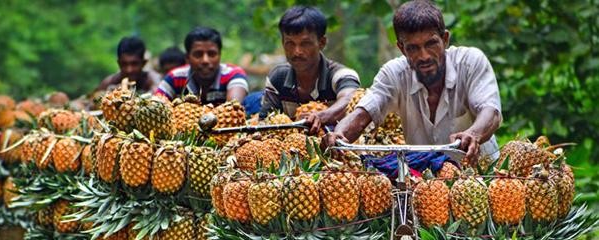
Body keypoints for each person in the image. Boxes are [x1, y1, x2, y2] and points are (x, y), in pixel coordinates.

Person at [323, 0, 502, 165]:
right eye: (413, 48)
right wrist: (339, 134)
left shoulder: (470, 63)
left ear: (445, 39)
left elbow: (490, 111)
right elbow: (362, 115)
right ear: (401, 48)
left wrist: (474, 134)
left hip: (480, 175)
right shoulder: (394, 73)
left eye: (431, 44)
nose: (424, 56)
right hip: (425, 184)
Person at [259, 6, 361, 135]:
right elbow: (264, 123)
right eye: (290, 43)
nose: (297, 51)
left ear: (322, 43)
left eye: (305, 43)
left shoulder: (341, 75)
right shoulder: (278, 78)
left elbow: (351, 99)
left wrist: (322, 116)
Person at [155, 27, 248, 105]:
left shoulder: (233, 74)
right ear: (187, 58)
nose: (205, 60)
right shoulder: (174, 77)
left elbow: (233, 107)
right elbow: (156, 105)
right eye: (198, 54)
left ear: (219, 55)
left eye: (212, 54)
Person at [96, 36, 161, 93]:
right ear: (119, 63)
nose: (129, 70)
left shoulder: (154, 81)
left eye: (134, 64)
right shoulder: (108, 84)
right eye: (124, 64)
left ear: (143, 63)